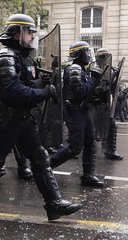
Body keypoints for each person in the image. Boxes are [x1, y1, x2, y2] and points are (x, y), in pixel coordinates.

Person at [0, 14, 82, 221]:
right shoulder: (6, 56)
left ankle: (53, 204)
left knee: (39, 157)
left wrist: (43, 82)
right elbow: (11, 90)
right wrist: (43, 93)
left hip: (23, 118)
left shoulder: (22, 57)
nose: (33, 36)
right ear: (17, 33)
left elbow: (27, 84)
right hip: (7, 119)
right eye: (30, 32)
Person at [50, 40, 105, 187]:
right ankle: (45, 167)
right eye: (86, 52)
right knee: (75, 147)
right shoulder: (74, 69)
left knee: (90, 143)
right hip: (75, 111)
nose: (89, 55)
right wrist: (93, 79)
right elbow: (79, 92)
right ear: (80, 54)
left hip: (83, 111)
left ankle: (88, 175)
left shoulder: (82, 69)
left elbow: (87, 92)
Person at [94, 48, 123, 160]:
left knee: (109, 125)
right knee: (108, 126)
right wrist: (113, 74)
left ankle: (108, 148)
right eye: (106, 58)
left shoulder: (105, 70)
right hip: (96, 106)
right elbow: (102, 83)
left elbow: (110, 89)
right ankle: (109, 150)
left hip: (103, 105)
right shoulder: (96, 70)